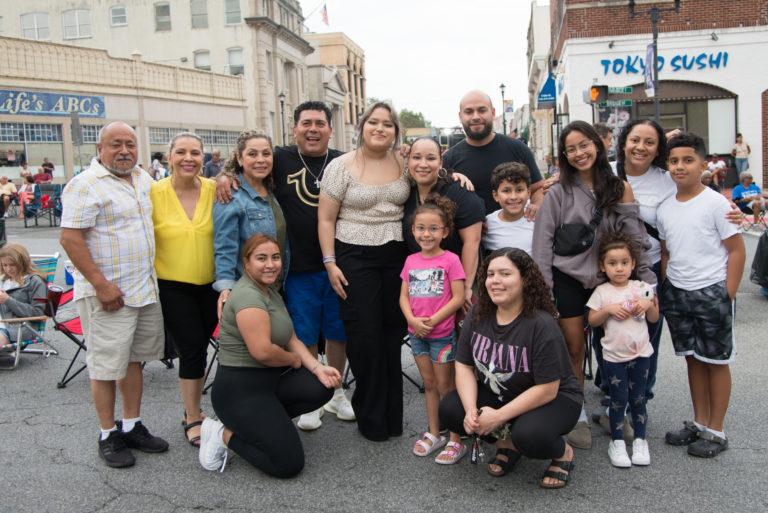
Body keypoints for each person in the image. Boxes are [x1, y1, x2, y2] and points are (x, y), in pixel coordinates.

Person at [216, 102, 355, 432]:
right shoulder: (280, 158)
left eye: (319, 123)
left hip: (338, 264)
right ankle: (314, 397)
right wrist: (225, 174)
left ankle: (335, 391)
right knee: (303, 332)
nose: (312, 128)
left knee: (338, 331)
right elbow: (249, 162)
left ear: (330, 129)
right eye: (305, 122)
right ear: (294, 129)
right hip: (296, 269)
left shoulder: (344, 161)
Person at [532, 120, 655, 450]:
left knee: (615, 350)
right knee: (573, 348)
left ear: (598, 145)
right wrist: (544, 291)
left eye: (583, 145)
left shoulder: (619, 189)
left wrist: (647, 284)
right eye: (570, 149)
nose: (578, 153)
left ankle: (616, 411)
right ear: (563, 155)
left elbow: (635, 239)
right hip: (567, 281)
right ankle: (577, 413)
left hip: (611, 282)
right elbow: (542, 245)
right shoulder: (557, 193)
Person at [60, 121, 168, 469]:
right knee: (105, 367)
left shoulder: (142, 179)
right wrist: (100, 285)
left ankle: (132, 424)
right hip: (108, 294)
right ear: (100, 149)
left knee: (133, 360)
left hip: (142, 290)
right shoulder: (85, 185)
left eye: (130, 145)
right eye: (116, 145)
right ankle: (108, 433)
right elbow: (70, 238)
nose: (124, 151)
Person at [438, 249, 582, 489]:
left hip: (555, 397)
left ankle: (562, 453)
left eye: (505, 273)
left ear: (525, 279)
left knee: (530, 436)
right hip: (502, 391)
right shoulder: (479, 311)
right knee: (453, 409)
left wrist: (497, 417)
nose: (496, 281)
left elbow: (547, 389)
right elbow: (463, 364)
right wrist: (472, 411)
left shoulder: (541, 324)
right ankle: (508, 445)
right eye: (491, 274)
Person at [198, 234, 341, 475]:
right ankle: (223, 433)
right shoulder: (247, 297)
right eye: (261, 258)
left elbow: (292, 338)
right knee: (288, 465)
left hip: (269, 384)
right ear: (246, 263)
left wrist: (317, 367)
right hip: (239, 391)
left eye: (275, 257)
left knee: (321, 385)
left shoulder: (270, 290)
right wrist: (294, 361)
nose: (270, 264)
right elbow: (262, 352)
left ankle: (264, 427)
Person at [318, 101, 410, 441]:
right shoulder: (341, 166)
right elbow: (326, 218)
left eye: (387, 123)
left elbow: (432, 176)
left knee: (390, 335)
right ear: (362, 125)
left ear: (395, 131)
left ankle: (392, 417)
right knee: (365, 337)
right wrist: (330, 263)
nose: (380, 128)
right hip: (353, 256)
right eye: (374, 121)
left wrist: (454, 174)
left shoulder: (403, 162)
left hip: (395, 255)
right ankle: (371, 418)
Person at [657, 132, 746, 458]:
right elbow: (666, 252)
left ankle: (716, 430)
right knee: (693, 359)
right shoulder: (666, 208)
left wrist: (728, 294)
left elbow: (736, 251)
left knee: (717, 362)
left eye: (688, 160)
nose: (680, 167)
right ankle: (698, 422)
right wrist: (667, 286)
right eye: (674, 161)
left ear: (703, 164)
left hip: (712, 292)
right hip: (679, 293)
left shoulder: (717, 203)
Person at [151, 132, 218, 448]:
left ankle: (193, 410)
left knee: (202, 346)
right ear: (169, 157)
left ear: (204, 157)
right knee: (191, 350)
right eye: (181, 152)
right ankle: (192, 416)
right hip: (173, 286)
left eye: (195, 152)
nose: (188, 158)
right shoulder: (153, 193)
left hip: (211, 285)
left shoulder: (215, 190)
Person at [400, 196, 466, 464]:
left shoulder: (451, 260)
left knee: (446, 386)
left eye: (433, 228)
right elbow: (403, 297)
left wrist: (432, 320)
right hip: (417, 335)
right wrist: (413, 321)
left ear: (445, 232)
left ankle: (455, 438)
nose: (426, 234)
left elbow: (458, 298)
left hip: (441, 336)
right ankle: (434, 431)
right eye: (421, 228)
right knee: (428, 385)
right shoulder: (411, 260)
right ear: (413, 231)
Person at [586, 233, 659, 467]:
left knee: (638, 399)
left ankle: (640, 439)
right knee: (618, 398)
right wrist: (608, 310)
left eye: (624, 263)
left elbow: (655, 318)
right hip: (614, 358)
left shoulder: (642, 288)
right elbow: (593, 320)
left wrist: (649, 304)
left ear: (633, 264)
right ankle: (617, 441)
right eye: (612, 263)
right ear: (603, 266)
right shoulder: (602, 292)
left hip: (641, 355)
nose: (619, 268)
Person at [403, 137, 484, 310]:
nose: (423, 164)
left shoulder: (458, 191)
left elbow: (472, 241)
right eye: (416, 157)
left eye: (431, 158)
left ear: (441, 163)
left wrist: (465, 287)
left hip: (454, 281)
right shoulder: (406, 191)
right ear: (408, 161)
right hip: (422, 282)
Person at [213, 131, 287, 318]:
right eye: (252, 154)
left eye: (266, 154)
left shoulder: (272, 190)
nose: (260, 160)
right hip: (248, 292)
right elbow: (224, 246)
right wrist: (226, 288)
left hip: (275, 288)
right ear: (239, 158)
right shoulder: (231, 195)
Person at [442, 90, 544, 216]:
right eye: (469, 112)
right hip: (469, 235)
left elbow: (537, 188)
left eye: (482, 110)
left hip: (513, 232)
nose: (476, 117)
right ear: (460, 116)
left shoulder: (518, 148)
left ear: (493, 113)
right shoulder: (449, 159)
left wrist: (536, 207)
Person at [0, 244, 46, 354]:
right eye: (4, 265)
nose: (8, 269)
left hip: (15, 328)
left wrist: (8, 301)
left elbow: (39, 314)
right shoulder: (2, 279)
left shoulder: (35, 282)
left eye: (12, 265)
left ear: (22, 263)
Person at [482, 163, 535, 256]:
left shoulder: (537, 219)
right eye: (506, 191)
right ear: (496, 195)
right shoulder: (487, 224)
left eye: (519, 190)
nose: (513, 197)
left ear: (529, 192)